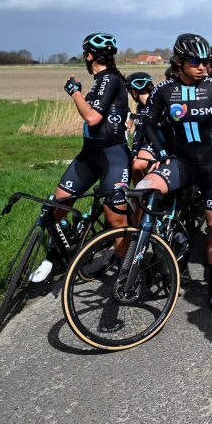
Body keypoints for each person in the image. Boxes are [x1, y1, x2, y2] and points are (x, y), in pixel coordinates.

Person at [122, 33, 212, 311]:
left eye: (205, 62)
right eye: (194, 62)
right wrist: (161, 153)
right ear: (179, 62)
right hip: (180, 162)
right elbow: (147, 123)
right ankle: (153, 244)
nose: (202, 67)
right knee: (142, 190)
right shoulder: (164, 90)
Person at [30, 33, 131, 283]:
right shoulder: (100, 80)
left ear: (88, 56)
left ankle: (127, 270)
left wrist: (75, 92)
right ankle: (55, 257)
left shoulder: (108, 79)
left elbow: (93, 118)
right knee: (57, 207)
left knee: (116, 221)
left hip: (112, 159)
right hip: (89, 155)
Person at [124, 71, 157, 184]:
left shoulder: (151, 103)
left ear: (133, 91)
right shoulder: (142, 105)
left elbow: (140, 130)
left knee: (136, 166)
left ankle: (140, 198)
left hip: (159, 144)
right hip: (153, 143)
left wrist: (134, 152)